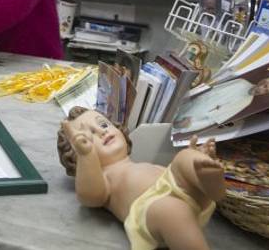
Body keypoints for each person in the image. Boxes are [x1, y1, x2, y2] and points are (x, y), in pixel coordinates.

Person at [58, 107, 225, 250]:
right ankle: (207, 183)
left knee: (183, 157)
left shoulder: (139, 164)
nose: (102, 131)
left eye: (103, 124)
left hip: (178, 189)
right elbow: (89, 197)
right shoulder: (103, 177)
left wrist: (192, 163)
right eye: (88, 136)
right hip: (152, 210)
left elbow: (171, 174)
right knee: (171, 209)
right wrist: (86, 154)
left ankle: (207, 179)